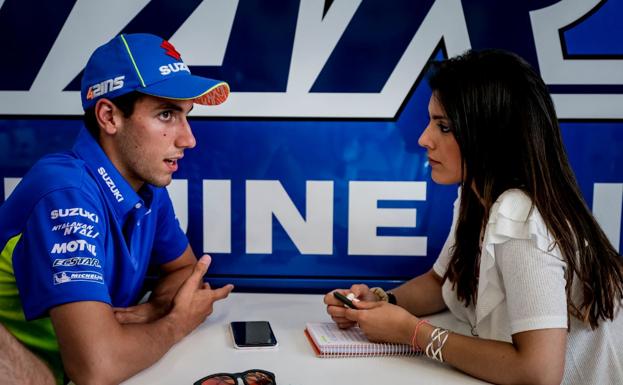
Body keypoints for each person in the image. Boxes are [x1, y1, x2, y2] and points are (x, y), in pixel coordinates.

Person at [324, 49, 623, 385]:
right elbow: (442, 283)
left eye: (444, 126)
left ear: (491, 135)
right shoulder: (478, 195)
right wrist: (381, 301)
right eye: (431, 122)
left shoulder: (519, 216)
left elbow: (538, 373)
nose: (424, 139)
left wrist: (411, 332)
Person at [0, 33, 234, 385]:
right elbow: (97, 367)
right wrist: (176, 321)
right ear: (109, 117)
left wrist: (155, 308)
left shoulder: (146, 187)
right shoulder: (64, 193)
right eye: (166, 114)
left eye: (185, 115)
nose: (188, 139)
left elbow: (185, 270)